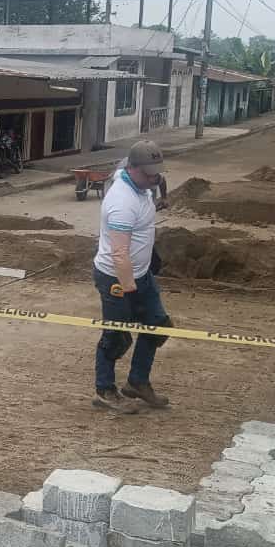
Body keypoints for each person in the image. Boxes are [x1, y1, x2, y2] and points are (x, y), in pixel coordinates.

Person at [92, 140, 173, 413]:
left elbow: (160, 180)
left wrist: (163, 197)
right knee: (116, 336)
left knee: (157, 325)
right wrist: (130, 291)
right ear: (132, 168)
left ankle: (137, 382)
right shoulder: (121, 202)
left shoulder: (146, 180)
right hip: (116, 278)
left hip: (141, 273)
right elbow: (119, 254)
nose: (154, 178)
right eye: (149, 174)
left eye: (156, 172)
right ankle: (105, 390)